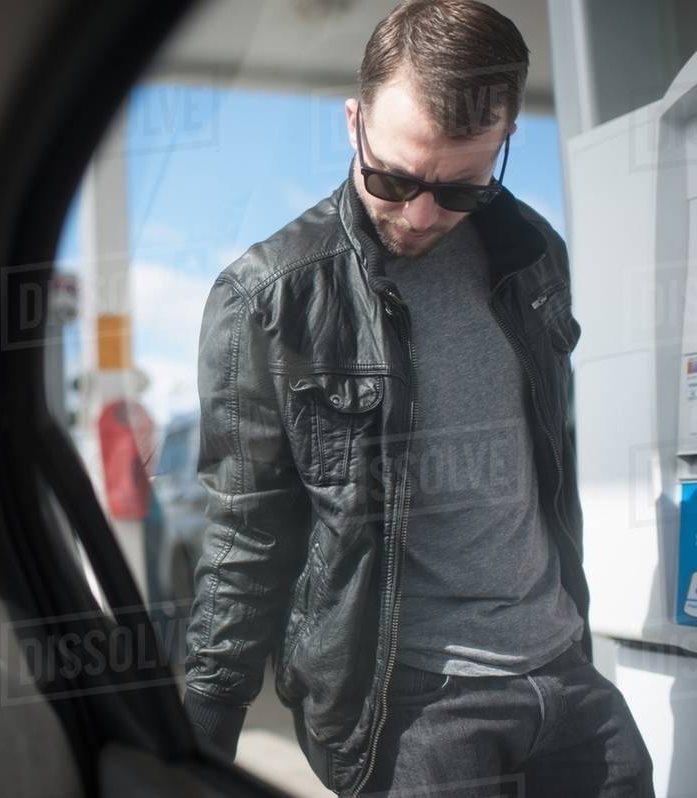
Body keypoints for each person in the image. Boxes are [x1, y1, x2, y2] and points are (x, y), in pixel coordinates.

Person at [182, 1, 655, 796]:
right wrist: (196, 748)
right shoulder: (269, 297)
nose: (421, 214)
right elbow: (247, 539)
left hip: (569, 675)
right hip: (412, 705)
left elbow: (547, 459)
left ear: (504, 143)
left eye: (462, 189)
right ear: (353, 121)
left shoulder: (536, 253)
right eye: (392, 179)